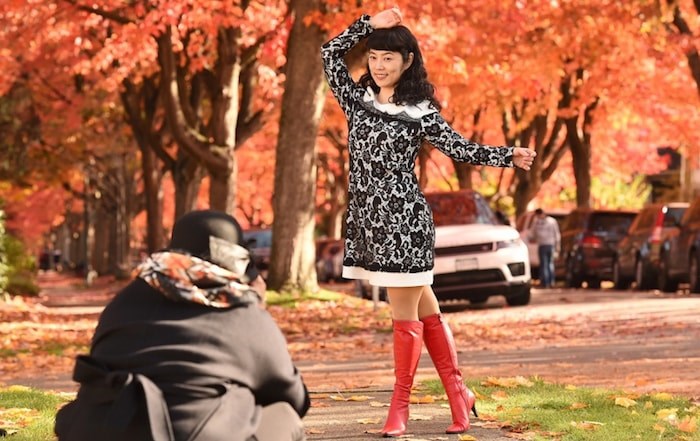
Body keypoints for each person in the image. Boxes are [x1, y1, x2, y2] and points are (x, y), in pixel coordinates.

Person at [321, 7, 536, 437]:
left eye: (389, 58)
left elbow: (460, 148)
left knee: (403, 314)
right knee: (426, 308)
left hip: (406, 224)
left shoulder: (419, 111)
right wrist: (369, 24)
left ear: (408, 62)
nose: (380, 66)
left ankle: (400, 406)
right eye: (374, 57)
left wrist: (506, 155)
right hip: (368, 222)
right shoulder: (356, 99)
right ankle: (460, 395)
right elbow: (329, 54)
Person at [55, 210, 309, 441]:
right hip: (195, 433)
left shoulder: (121, 303)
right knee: (283, 416)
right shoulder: (242, 312)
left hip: (105, 431)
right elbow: (294, 397)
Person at [528, 208, 561, 288]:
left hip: (546, 245)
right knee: (548, 264)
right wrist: (557, 245)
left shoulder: (539, 222)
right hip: (547, 244)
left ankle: (547, 282)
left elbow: (532, 234)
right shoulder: (550, 221)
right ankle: (549, 282)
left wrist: (557, 245)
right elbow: (557, 234)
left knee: (545, 264)